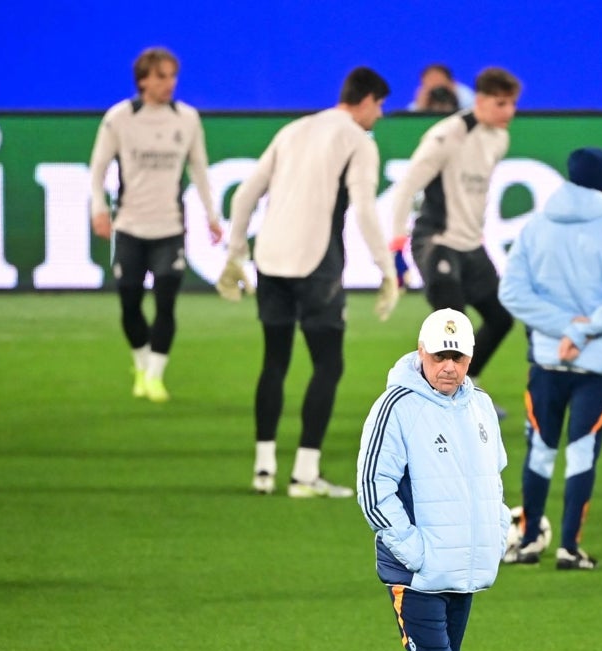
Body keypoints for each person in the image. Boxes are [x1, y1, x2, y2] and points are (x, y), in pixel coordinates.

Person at [357, 308, 509, 651]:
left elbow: (495, 481)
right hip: (415, 574)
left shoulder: (482, 407)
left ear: (469, 357)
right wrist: (414, 551)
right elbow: (372, 491)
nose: (448, 366)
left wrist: (498, 535)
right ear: (421, 352)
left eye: (458, 355)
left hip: (464, 572)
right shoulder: (395, 406)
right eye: (439, 355)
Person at [217, 67, 401, 498]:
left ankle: (263, 470)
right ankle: (304, 474)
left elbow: (245, 195)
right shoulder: (358, 140)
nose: (379, 115)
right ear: (368, 100)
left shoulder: (294, 129)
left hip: (271, 259)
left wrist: (234, 254)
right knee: (328, 364)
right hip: (317, 263)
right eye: (380, 106)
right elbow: (364, 208)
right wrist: (387, 268)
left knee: (274, 361)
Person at [498, 147, 602, 568]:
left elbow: (511, 293)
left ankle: (528, 543)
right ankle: (568, 548)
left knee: (540, 449)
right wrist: (581, 329)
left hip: (546, 356)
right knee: (582, 450)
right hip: (598, 360)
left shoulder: (536, 226)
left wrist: (562, 326)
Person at [89, 46, 222, 403]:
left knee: (166, 304)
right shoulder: (119, 118)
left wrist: (212, 215)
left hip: (170, 229)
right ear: (143, 80)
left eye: (173, 76)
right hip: (130, 226)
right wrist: (99, 209)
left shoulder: (187, 119)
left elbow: (199, 169)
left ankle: (156, 376)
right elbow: (98, 166)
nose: (170, 83)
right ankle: (141, 364)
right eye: (162, 76)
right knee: (130, 304)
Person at [388, 68, 522, 415]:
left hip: (470, 244)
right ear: (479, 101)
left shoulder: (499, 138)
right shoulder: (447, 136)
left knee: (501, 319)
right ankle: (425, 398)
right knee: (453, 329)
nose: (510, 112)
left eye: (513, 104)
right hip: (437, 240)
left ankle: (466, 384)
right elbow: (406, 188)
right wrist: (396, 246)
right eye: (501, 103)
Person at [408, 63, 476, 112]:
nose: (435, 84)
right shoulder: (421, 98)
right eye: (431, 81)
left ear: (451, 82)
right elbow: (408, 119)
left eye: (438, 80)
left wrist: (454, 97)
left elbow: (473, 111)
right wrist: (421, 107)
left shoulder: (463, 93)